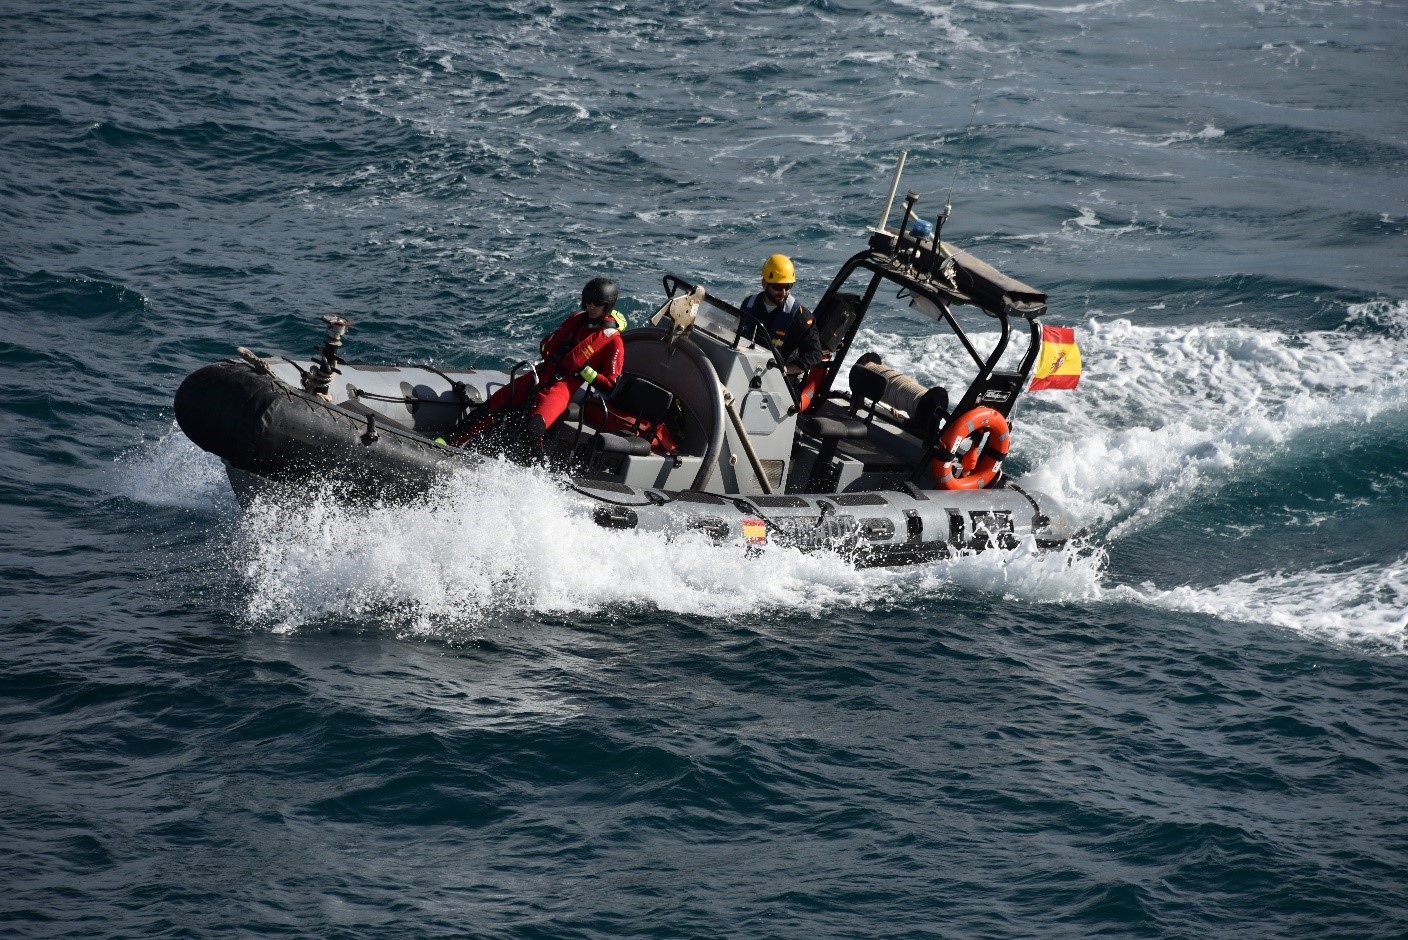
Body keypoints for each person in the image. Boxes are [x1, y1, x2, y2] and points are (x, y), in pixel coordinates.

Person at [450, 277, 626, 454]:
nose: (591, 306)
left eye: (597, 303)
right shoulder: (576, 320)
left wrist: (583, 369)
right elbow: (547, 344)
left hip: (562, 387)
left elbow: (610, 386)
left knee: (532, 431)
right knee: (490, 407)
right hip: (540, 374)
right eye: (587, 301)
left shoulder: (613, 341)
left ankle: (539, 471)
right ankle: (446, 443)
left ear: (607, 305)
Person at [738, 253, 822, 379]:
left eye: (787, 287)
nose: (783, 293)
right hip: (745, 367)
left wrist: (786, 370)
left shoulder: (800, 316)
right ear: (764, 283)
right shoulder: (749, 304)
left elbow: (815, 354)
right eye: (778, 287)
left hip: (780, 379)